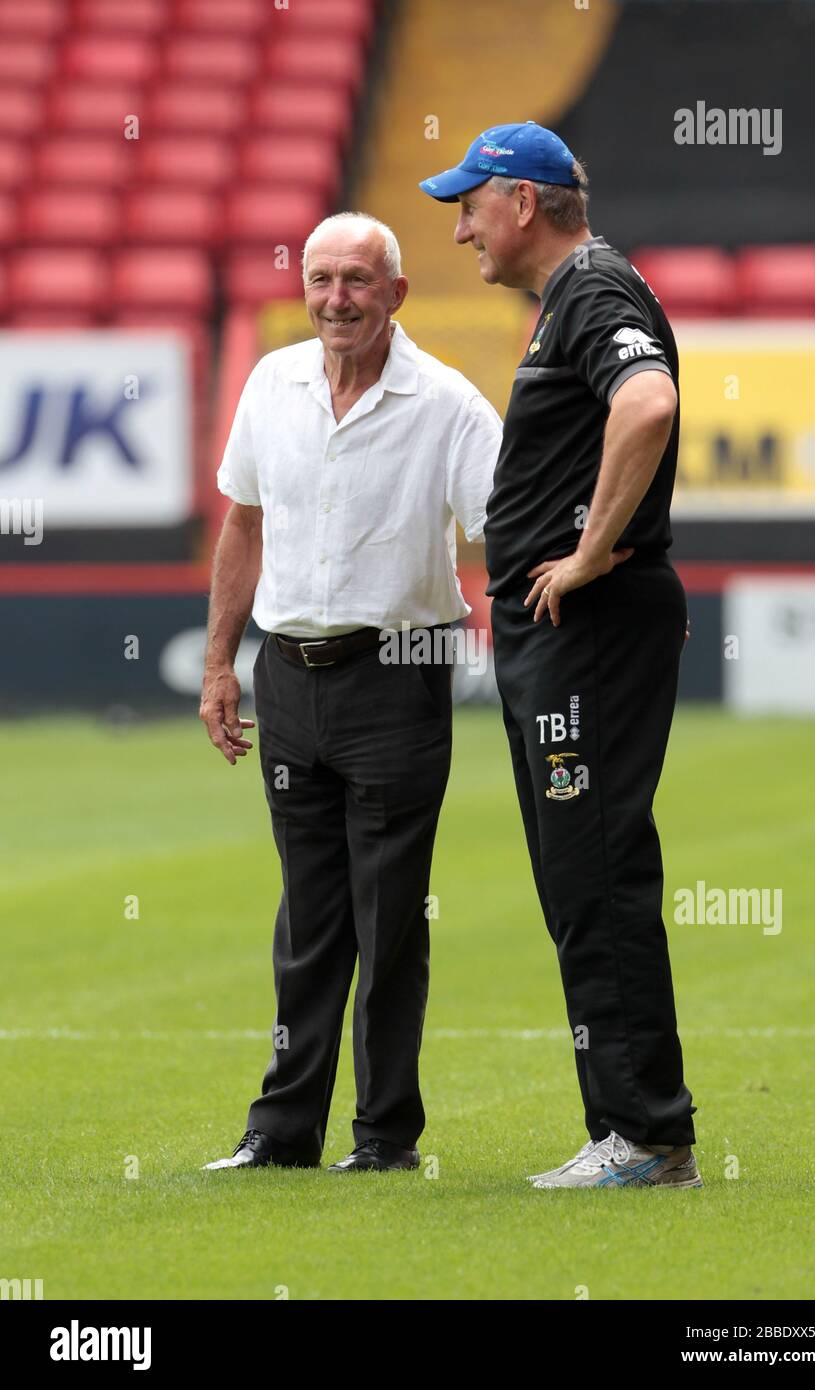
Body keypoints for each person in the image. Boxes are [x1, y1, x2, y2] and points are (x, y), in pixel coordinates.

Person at [420, 123, 702, 1189]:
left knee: (592, 867)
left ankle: (642, 1136)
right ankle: (634, 1129)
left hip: (585, 630)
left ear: (522, 203)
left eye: (469, 205)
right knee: (579, 868)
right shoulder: (579, 293)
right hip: (568, 633)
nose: (459, 231)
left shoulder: (589, 288)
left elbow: (649, 402)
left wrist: (584, 555)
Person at [199, 213, 502, 1174]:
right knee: (308, 916)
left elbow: (507, 529)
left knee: (389, 916)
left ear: (396, 295)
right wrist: (219, 666)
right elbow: (242, 526)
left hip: (401, 668)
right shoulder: (270, 383)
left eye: (358, 282)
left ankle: (384, 1139)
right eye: (321, 279)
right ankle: (283, 1134)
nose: (336, 299)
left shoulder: (450, 405)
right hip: (287, 674)